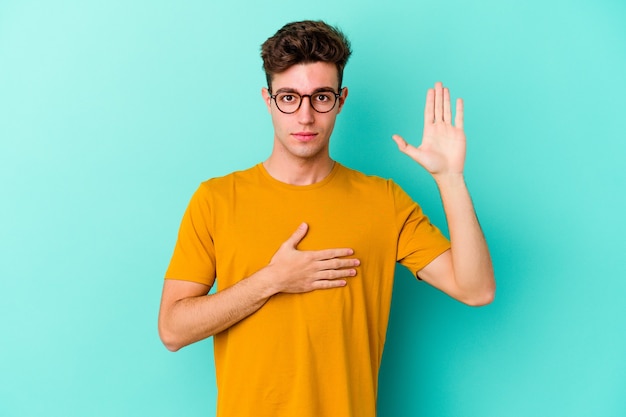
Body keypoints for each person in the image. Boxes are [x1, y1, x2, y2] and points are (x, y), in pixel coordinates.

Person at [158, 20, 495, 417]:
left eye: (320, 97)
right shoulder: (216, 200)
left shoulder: (383, 201)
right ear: (268, 100)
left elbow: (476, 290)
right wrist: (272, 280)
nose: (304, 116)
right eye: (289, 98)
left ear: (340, 99)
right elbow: (173, 329)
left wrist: (450, 180)